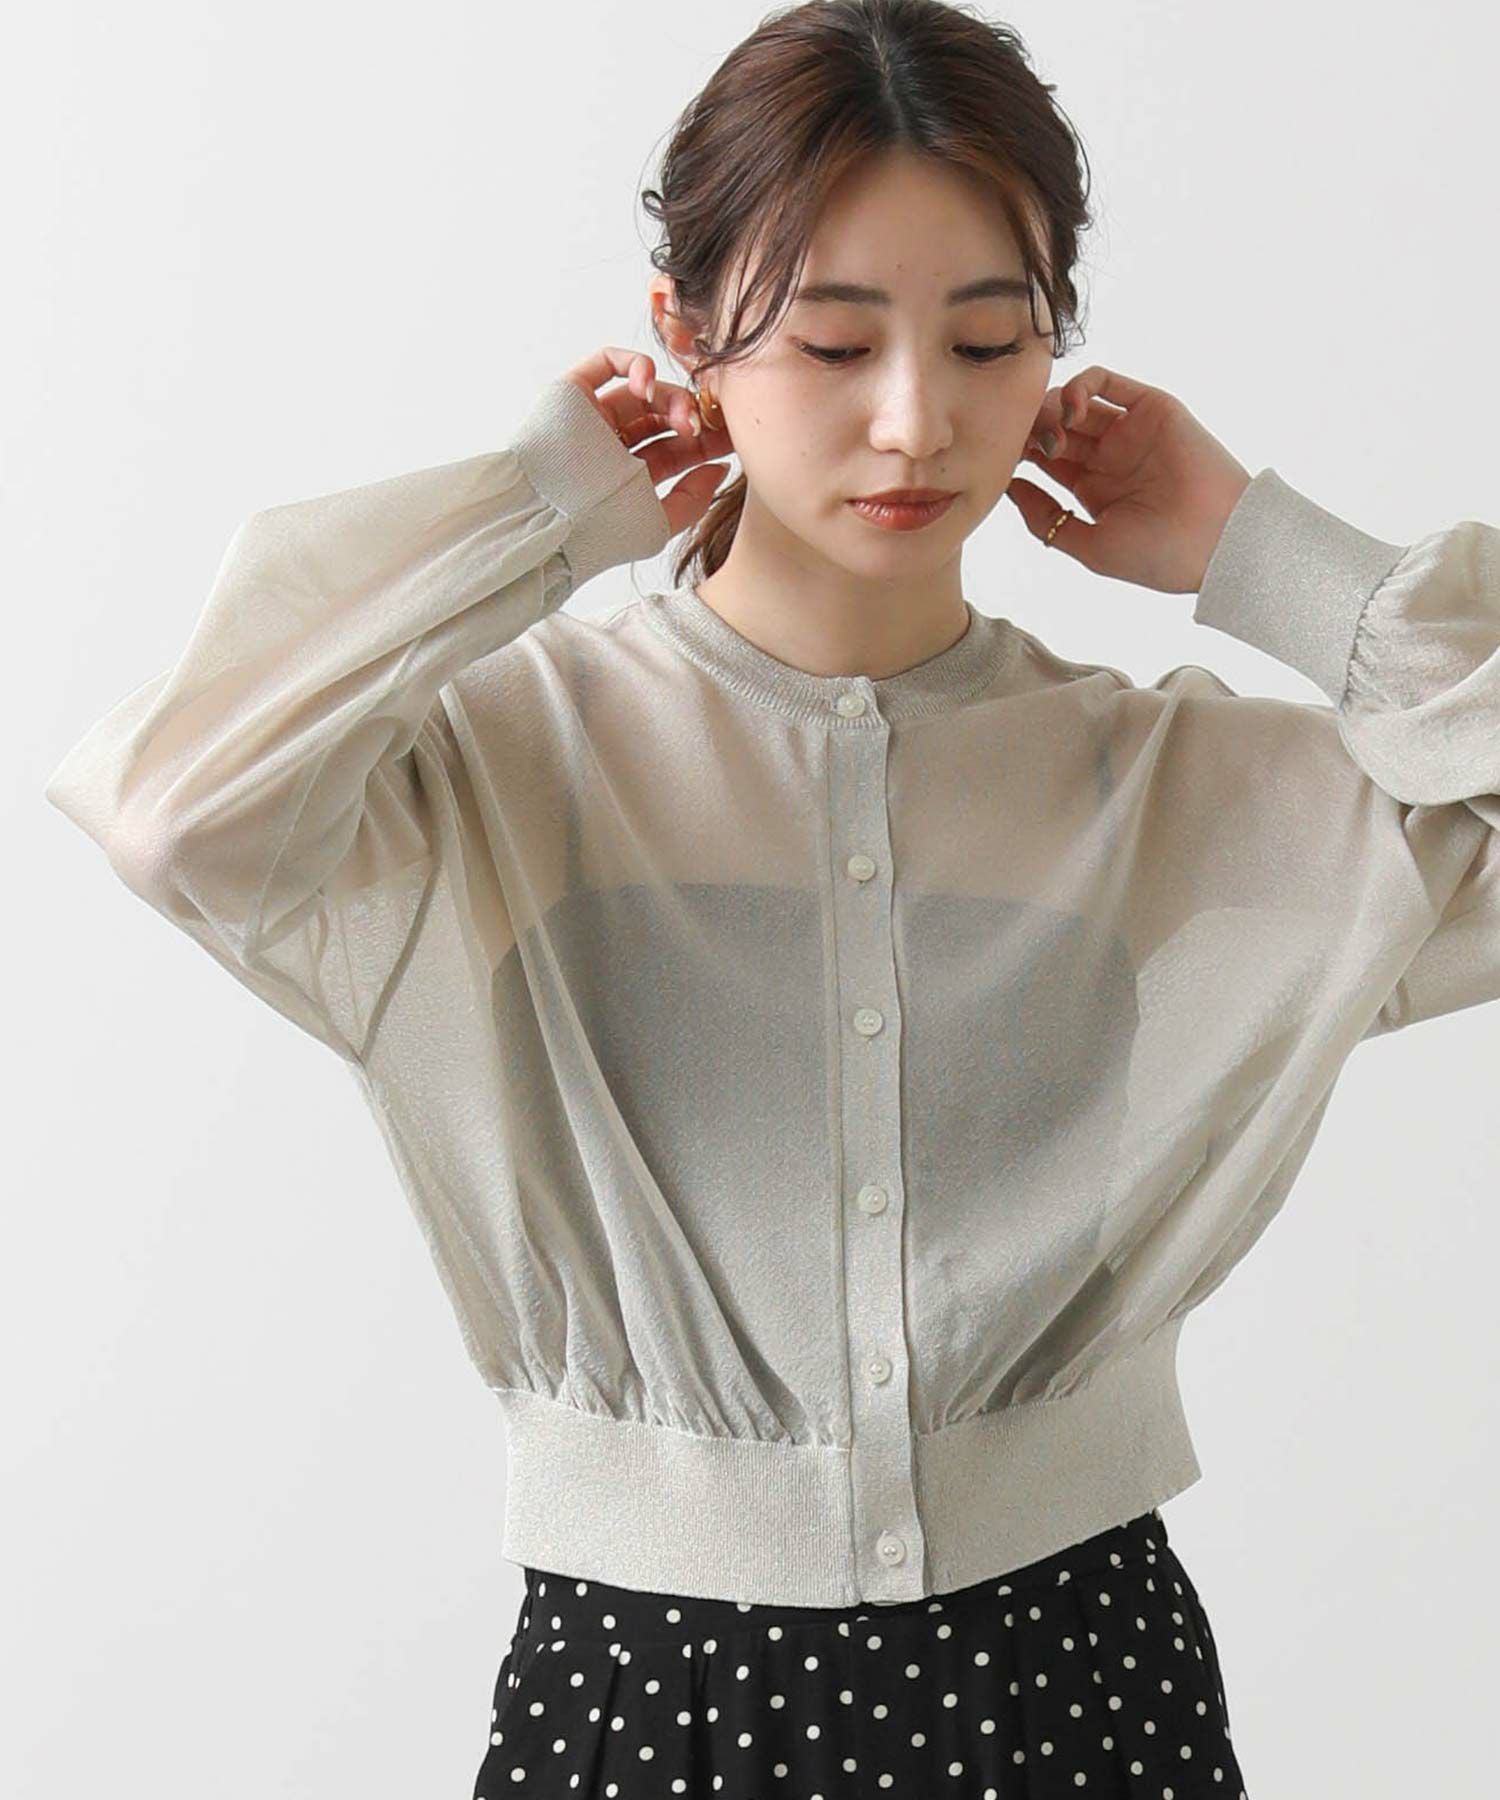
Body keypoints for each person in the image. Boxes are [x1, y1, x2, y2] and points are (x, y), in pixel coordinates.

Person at [44, 2, 1500, 1796]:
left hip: (1081, 1684)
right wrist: (536, 508)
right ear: (687, 341)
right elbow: (175, 810)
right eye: (832, 342)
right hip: (646, 1696)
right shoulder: (494, 765)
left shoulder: (1175, 788)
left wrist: (1263, 555)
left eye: (989, 341)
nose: (918, 420)